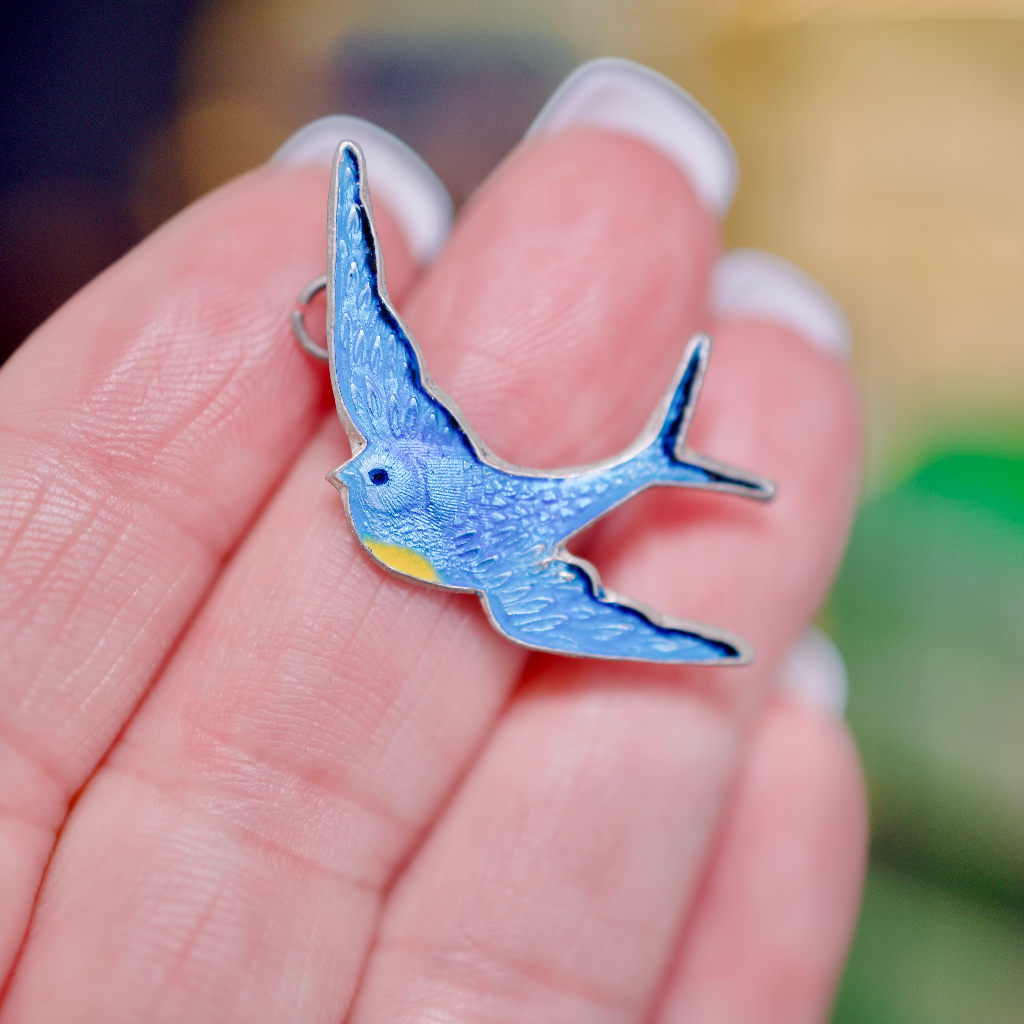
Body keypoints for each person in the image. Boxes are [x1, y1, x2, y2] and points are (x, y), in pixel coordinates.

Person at [0, 59, 865, 1023]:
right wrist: (347, 215)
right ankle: (659, 470)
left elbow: (362, 314)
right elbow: (359, 318)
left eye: (367, 472)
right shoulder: (396, 450)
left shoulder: (403, 442)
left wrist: (350, 211)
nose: (350, 472)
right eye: (365, 470)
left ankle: (658, 466)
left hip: (523, 526)